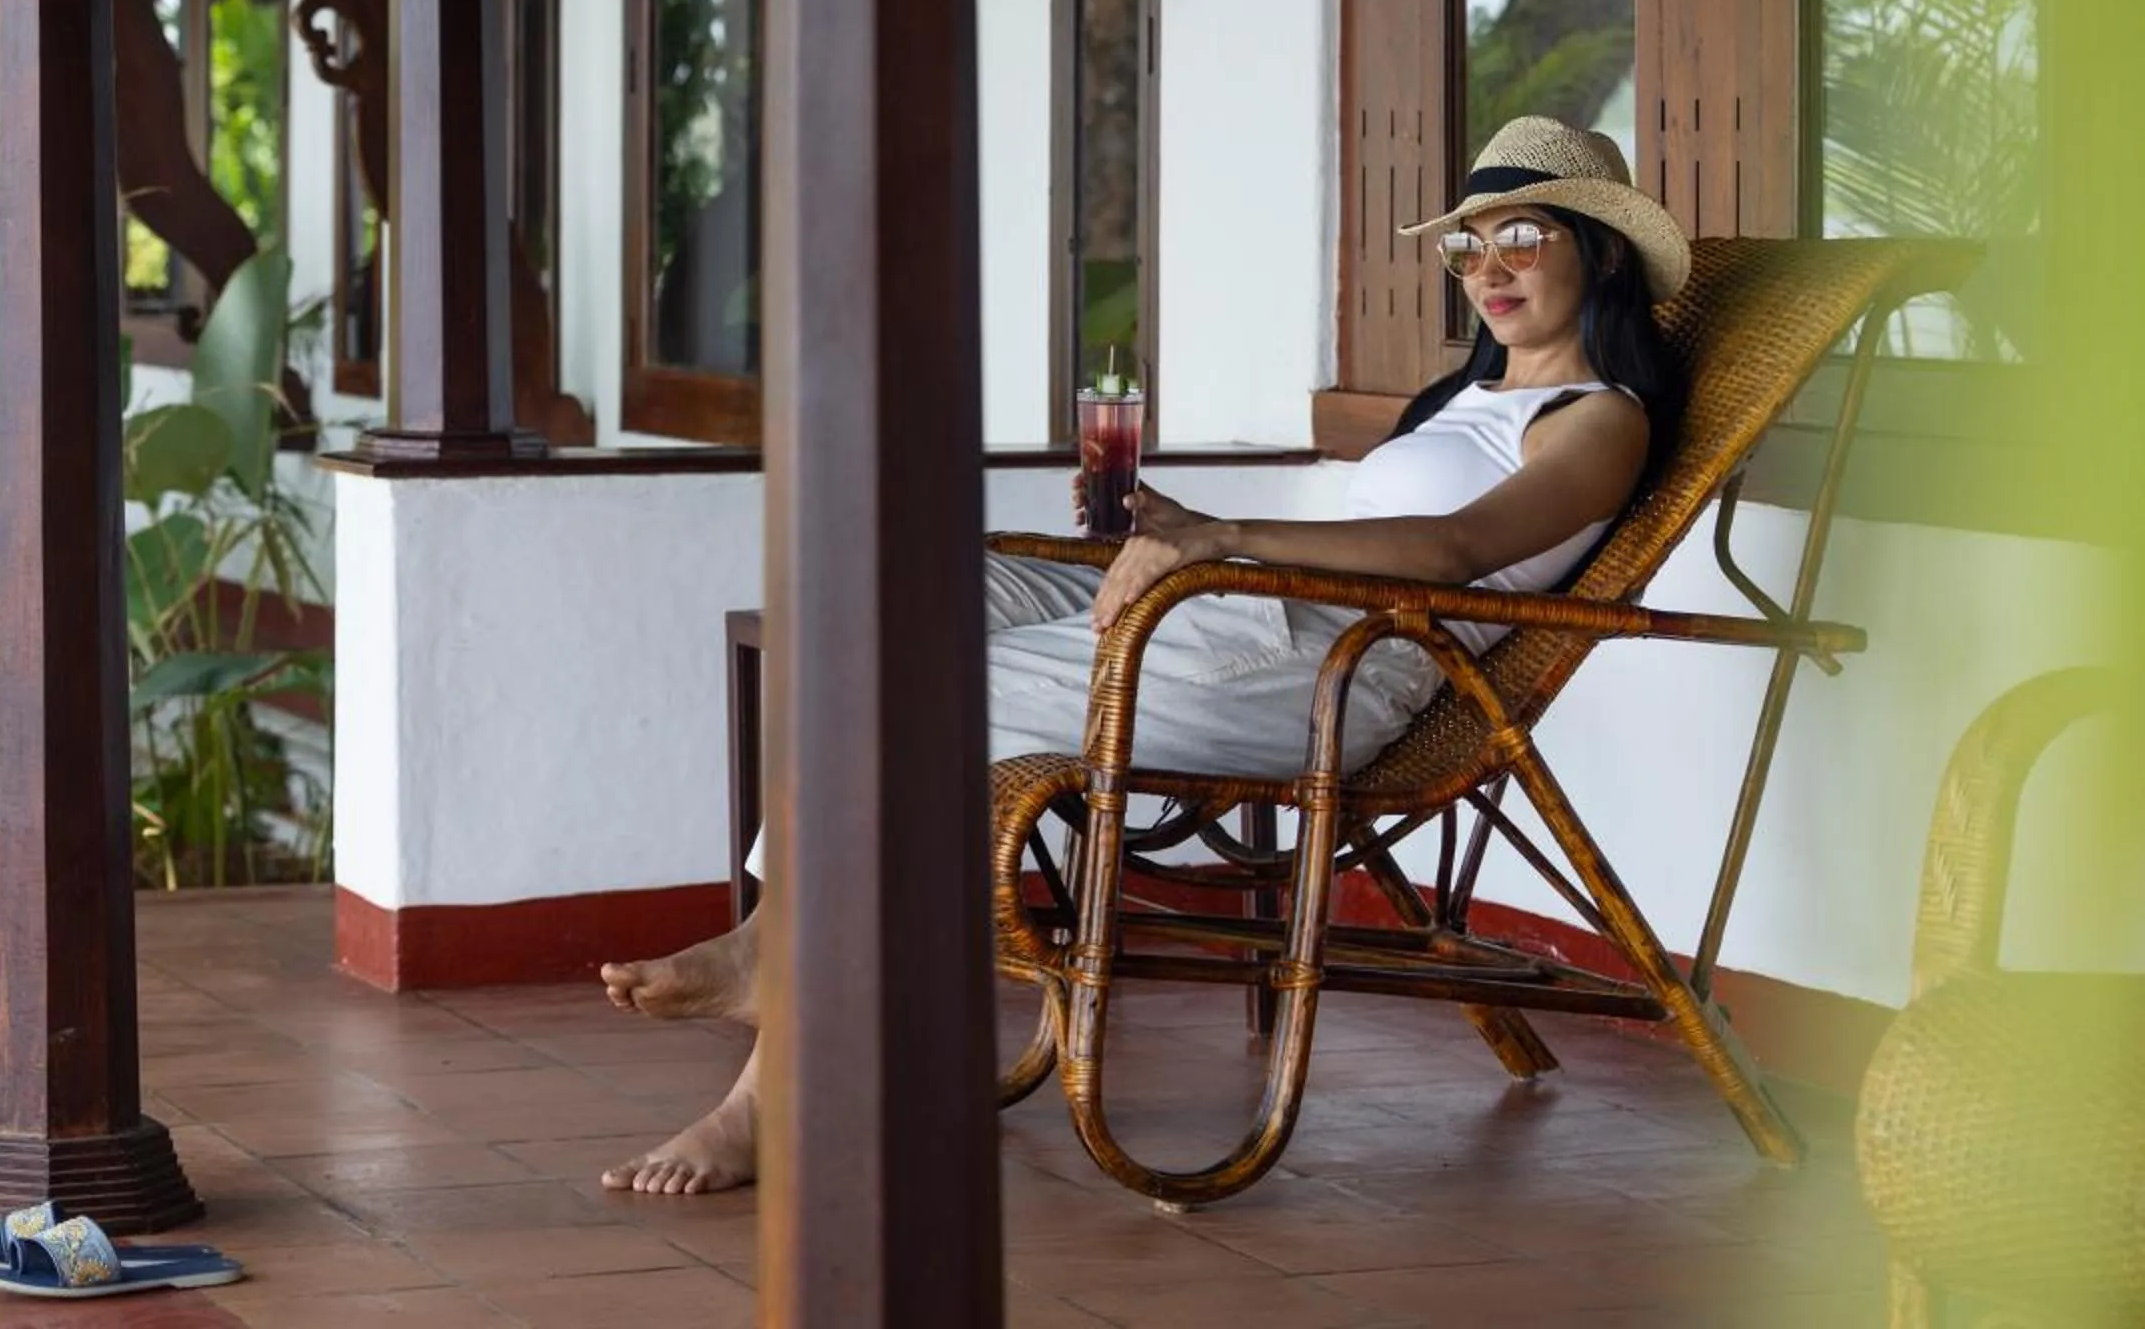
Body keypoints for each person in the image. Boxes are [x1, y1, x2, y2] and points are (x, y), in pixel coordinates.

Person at [591, 118, 1691, 1195]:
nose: (1487, 267)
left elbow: (1456, 549)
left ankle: (765, 1056)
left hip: (1346, 663)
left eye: (1522, 239)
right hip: (1258, 608)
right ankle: (776, 959)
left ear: (1597, 252)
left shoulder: (1599, 418)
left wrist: (1219, 535)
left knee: (925, 702)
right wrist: (1168, 534)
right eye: (1469, 242)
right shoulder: (1463, 401)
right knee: (889, 599)